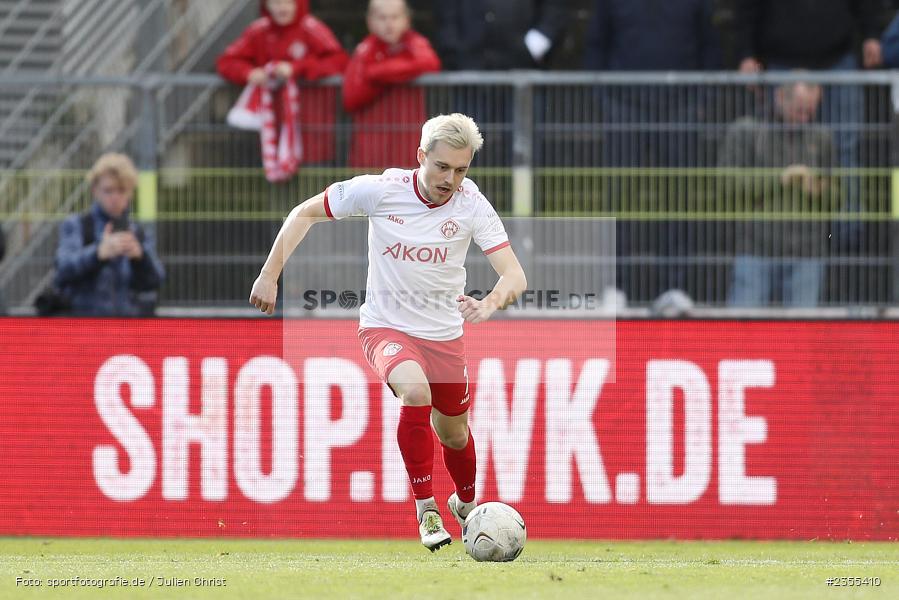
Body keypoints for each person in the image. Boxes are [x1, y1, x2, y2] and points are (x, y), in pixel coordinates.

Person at [249, 114, 527, 551]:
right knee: (415, 392)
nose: (450, 179)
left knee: (454, 433)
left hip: (445, 336)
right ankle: (426, 508)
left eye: (461, 169)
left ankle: (467, 505)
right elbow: (303, 213)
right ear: (421, 157)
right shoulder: (380, 190)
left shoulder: (472, 203)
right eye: (442, 167)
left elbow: (515, 276)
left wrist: (490, 303)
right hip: (385, 328)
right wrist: (269, 275)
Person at [584, 0, 722, 303]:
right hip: (624, 107)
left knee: (677, 197)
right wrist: (605, 101)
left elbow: (710, 48)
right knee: (620, 198)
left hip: (680, 108)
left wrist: (700, 104)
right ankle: (614, 287)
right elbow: (596, 46)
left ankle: (675, 287)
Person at [719, 82, 837, 307]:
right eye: (799, 110)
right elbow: (727, 185)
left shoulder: (821, 137)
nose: (804, 118)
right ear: (780, 97)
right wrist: (779, 180)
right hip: (756, 249)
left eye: (810, 112)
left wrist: (820, 190)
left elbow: (836, 197)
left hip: (807, 252)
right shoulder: (747, 132)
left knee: (801, 335)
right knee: (742, 331)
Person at [217, 0, 349, 166]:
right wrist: (248, 72)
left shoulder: (311, 28)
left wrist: (297, 68)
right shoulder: (258, 30)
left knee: (314, 180)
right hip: (272, 125)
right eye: (276, 2)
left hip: (311, 125)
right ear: (267, 5)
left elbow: (339, 61)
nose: (282, 7)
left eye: (288, 2)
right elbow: (227, 61)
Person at [55, 153, 165, 316]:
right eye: (108, 190)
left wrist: (140, 258)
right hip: (84, 329)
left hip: (125, 331)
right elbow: (62, 272)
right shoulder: (78, 225)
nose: (115, 198)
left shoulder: (136, 232)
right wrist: (98, 253)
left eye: (121, 191)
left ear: (130, 193)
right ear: (95, 191)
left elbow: (156, 280)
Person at [343, 0, 441, 168]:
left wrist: (378, 74)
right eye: (382, 17)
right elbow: (351, 98)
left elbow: (430, 62)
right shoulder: (365, 50)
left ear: (407, 20)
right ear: (370, 21)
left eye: (395, 17)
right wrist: (400, 72)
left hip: (407, 142)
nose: (389, 24)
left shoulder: (414, 43)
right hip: (372, 144)